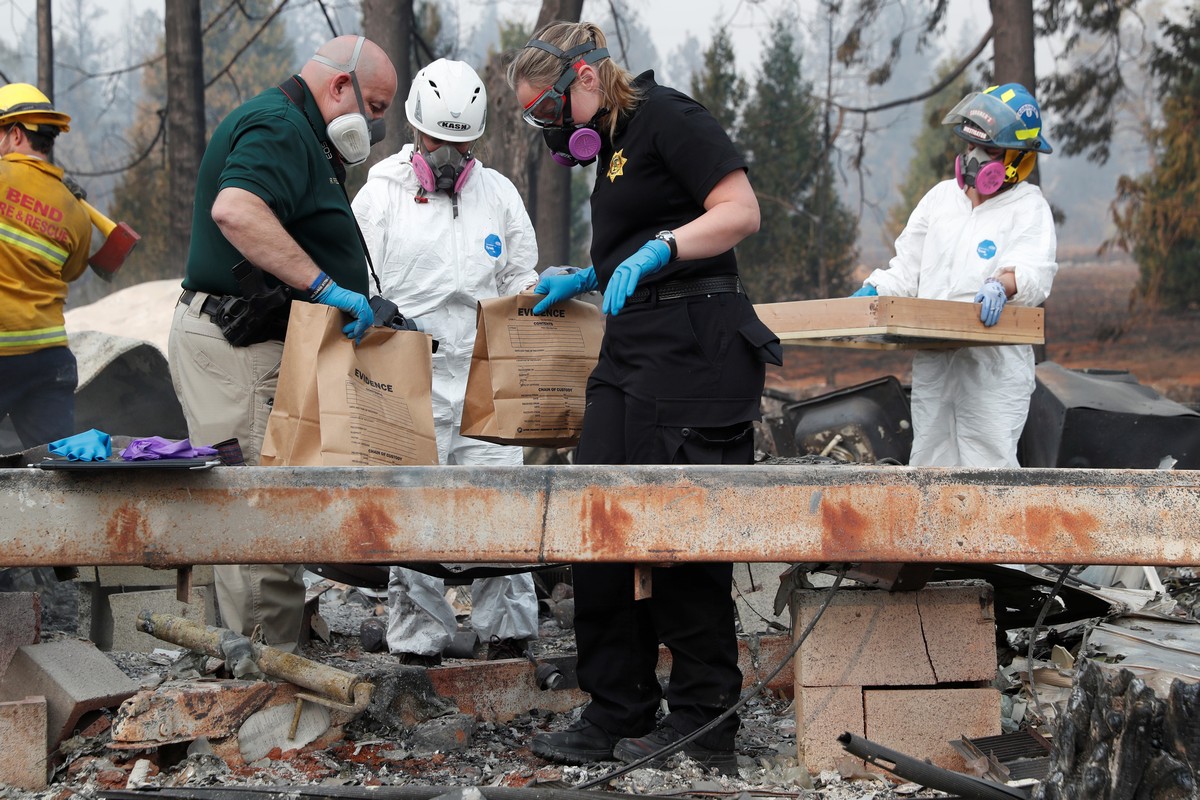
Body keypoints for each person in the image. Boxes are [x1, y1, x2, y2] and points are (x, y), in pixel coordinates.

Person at [508, 22, 782, 774]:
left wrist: (664, 246)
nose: (554, 133)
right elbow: (634, 236)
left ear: (587, 79)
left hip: (698, 352)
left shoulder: (671, 117)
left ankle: (703, 722)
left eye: (552, 114)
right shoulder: (615, 144)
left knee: (678, 539)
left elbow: (738, 211)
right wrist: (591, 274)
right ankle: (616, 709)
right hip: (630, 353)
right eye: (541, 123)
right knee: (596, 528)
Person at [168, 35, 397, 653]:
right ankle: (271, 687)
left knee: (254, 509)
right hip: (238, 346)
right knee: (258, 512)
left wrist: (352, 295)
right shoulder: (279, 126)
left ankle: (249, 658)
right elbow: (237, 210)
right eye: (375, 107)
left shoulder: (302, 133)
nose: (377, 125)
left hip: (261, 346)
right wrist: (326, 286)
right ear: (339, 86)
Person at [351, 59, 541, 666]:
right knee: (415, 503)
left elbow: (522, 277)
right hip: (409, 374)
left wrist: (534, 305)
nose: (448, 154)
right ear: (414, 129)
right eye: (437, 140)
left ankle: (507, 630)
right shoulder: (380, 195)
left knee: (500, 496)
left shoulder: (498, 194)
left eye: (460, 143)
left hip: (485, 369)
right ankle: (419, 639)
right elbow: (358, 284)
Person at [850, 83, 1057, 468]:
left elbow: (1034, 270)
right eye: (970, 146)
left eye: (990, 151)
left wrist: (1002, 284)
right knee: (930, 466)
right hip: (935, 362)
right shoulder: (941, 199)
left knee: (989, 470)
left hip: (993, 365)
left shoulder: (1028, 206)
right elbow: (907, 269)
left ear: (1017, 158)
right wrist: (874, 290)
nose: (975, 157)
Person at [0, 83, 91, 450]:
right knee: (56, 477)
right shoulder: (75, 208)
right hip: (48, 358)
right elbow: (70, 272)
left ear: (16, 134)